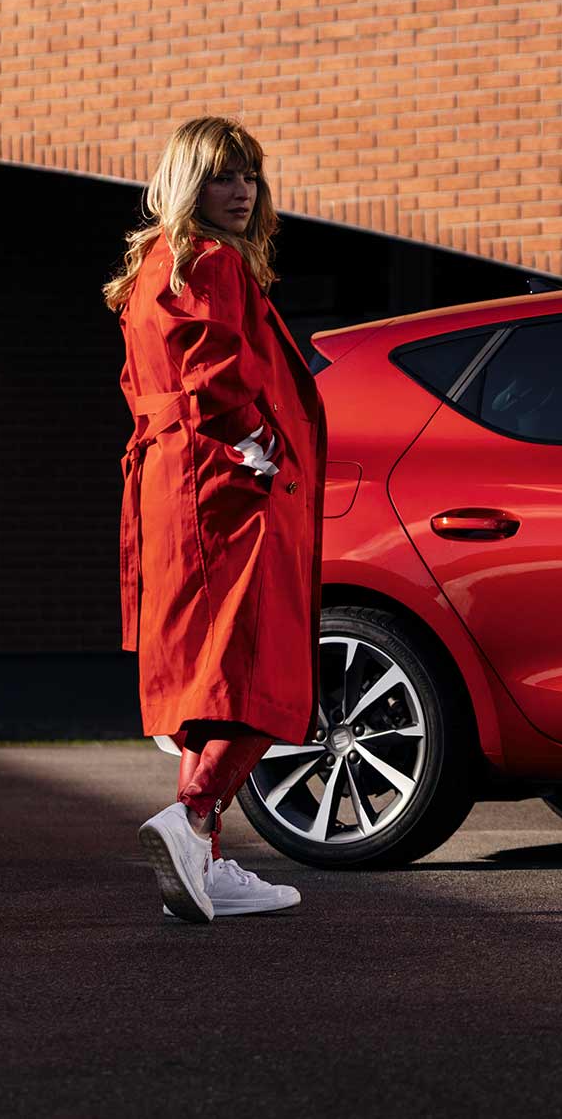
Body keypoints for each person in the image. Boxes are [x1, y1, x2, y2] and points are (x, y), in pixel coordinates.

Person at [104, 116, 329, 923]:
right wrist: (259, 443)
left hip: (180, 485)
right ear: (186, 183)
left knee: (210, 677)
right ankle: (194, 818)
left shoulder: (158, 264)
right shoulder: (209, 261)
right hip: (227, 487)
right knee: (259, 667)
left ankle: (205, 866)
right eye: (222, 176)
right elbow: (214, 372)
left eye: (250, 177)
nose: (241, 192)